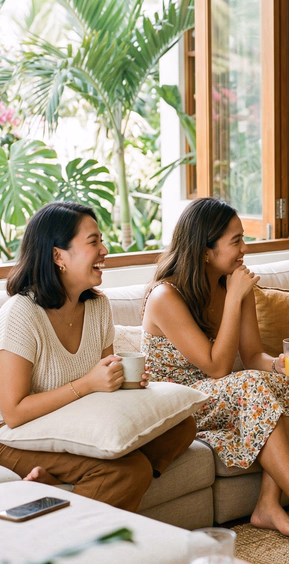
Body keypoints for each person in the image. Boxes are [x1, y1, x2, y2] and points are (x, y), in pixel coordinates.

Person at [142, 197, 289, 541]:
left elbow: (254, 356)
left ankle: (268, 504)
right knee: (251, 386)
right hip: (177, 403)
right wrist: (234, 298)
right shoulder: (165, 296)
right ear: (204, 251)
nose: (245, 248)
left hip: (218, 395)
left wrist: (283, 364)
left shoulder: (233, 284)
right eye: (236, 241)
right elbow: (217, 368)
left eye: (243, 238)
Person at [0, 202, 196, 512]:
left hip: (76, 425)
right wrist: (88, 384)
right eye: (93, 242)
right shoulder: (21, 314)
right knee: (129, 470)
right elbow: (13, 412)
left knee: (182, 426)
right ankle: (68, 539)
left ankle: (65, 490)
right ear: (57, 256)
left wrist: (123, 382)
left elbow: (105, 378)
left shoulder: (98, 306)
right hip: (12, 437)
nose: (104, 249)